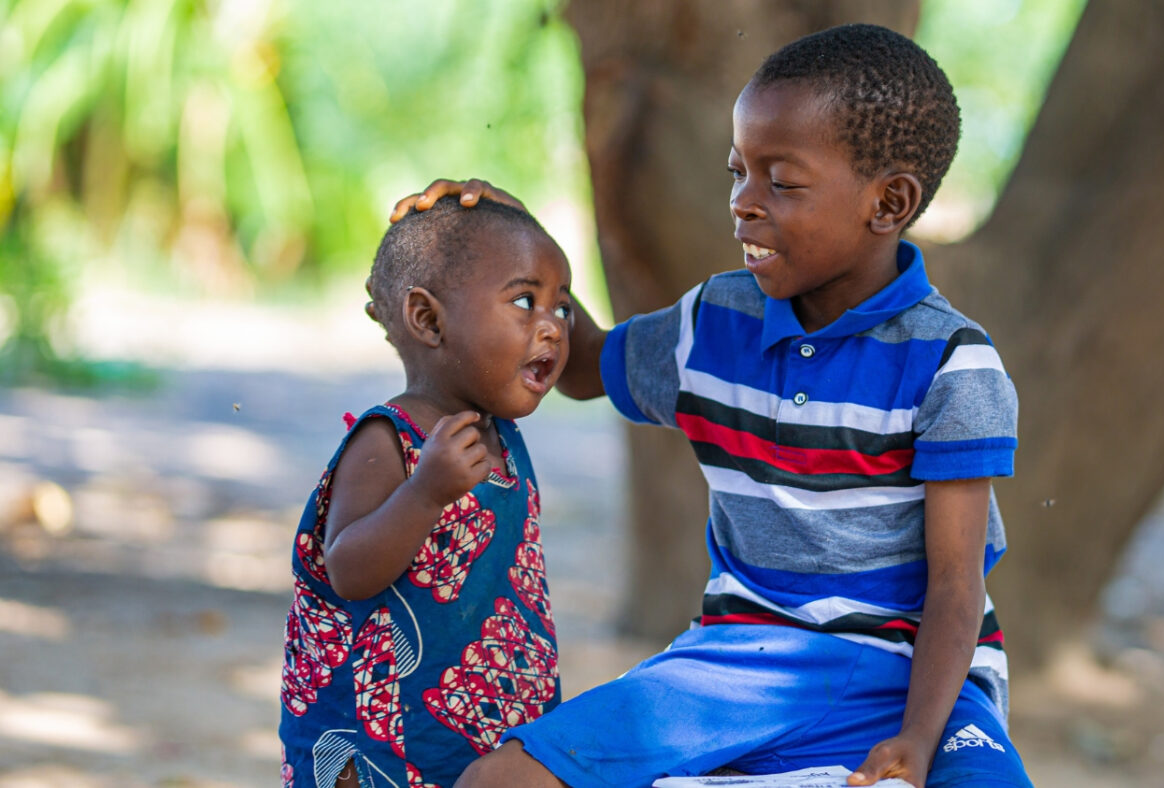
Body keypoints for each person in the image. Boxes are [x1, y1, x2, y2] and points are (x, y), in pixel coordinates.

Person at [397, 23, 1030, 788]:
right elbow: (584, 363)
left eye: (781, 181)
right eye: (738, 172)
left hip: (916, 681)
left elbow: (956, 588)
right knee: (500, 783)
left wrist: (918, 742)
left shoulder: (954, 364)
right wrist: (502, 233)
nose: (743, 204)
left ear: (888, 202)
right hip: (735, 666)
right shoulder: (713, 324)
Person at [278, 198, 574, 788]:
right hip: (376, 746)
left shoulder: (504, 438)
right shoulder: (388, 439)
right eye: (524, 301)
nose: (552, 326)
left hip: (476, 734)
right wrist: (423, 494)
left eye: (561, 307)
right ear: (429, 320)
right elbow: (348, 569)